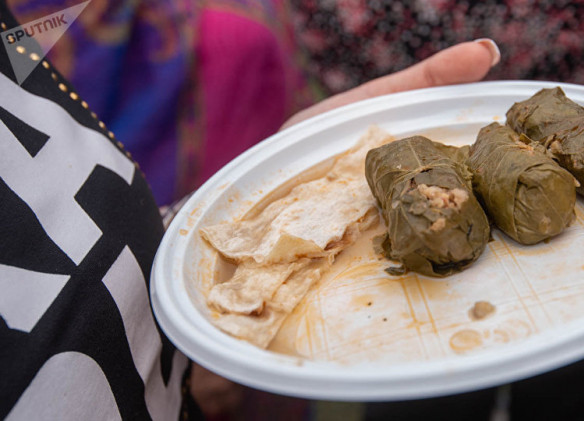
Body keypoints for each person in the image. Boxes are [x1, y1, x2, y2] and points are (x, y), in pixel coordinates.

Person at [0, 0, 501, 416]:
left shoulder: (11, 42)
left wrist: (197, 272)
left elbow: (60, 167)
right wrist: (195, 325)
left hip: (194, 324)